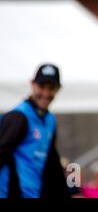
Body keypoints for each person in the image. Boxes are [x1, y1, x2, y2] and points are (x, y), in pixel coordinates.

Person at [0, 63, 69, 198]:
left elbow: (52, 161)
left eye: (51, 88)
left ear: (58, 90)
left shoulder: (50, 120)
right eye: (42, 87)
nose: (46, 93)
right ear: (32, 84)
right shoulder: (19, 117)